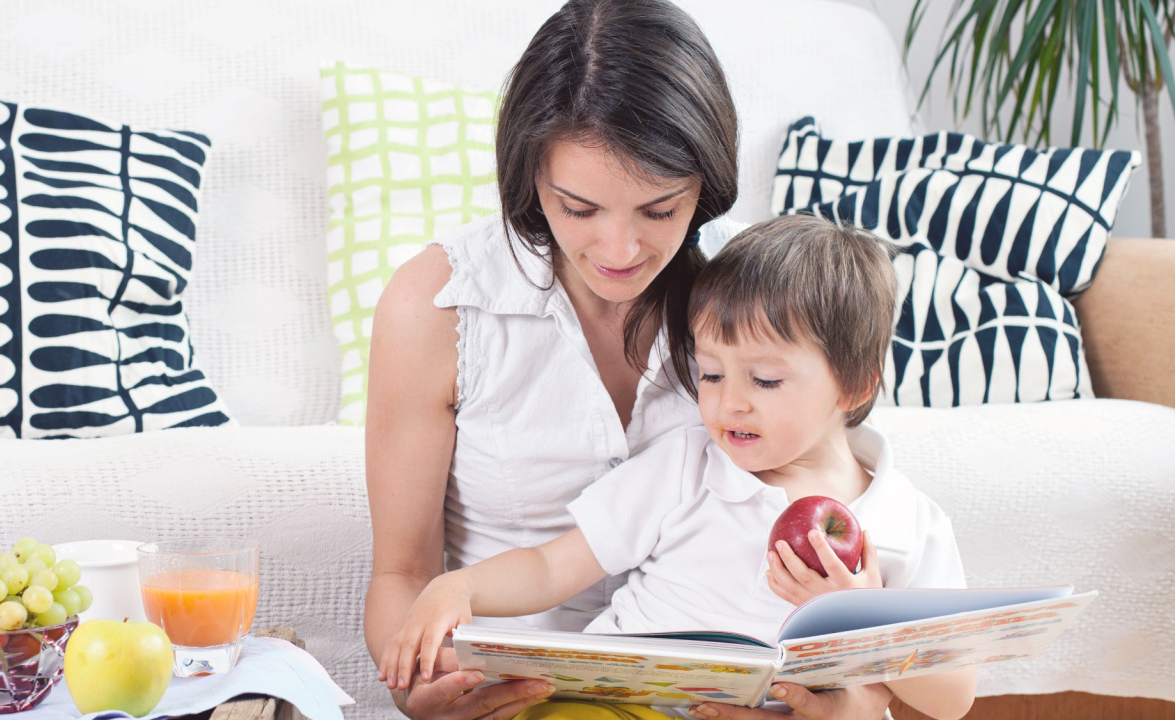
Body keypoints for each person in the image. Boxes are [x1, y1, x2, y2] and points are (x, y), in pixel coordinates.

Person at [363, 0, 895, 718]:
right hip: (521, 700)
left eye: (659, 210)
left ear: (705, 187)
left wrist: (842, 704)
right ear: (530, 182)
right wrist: (422, 691)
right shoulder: (439, 305)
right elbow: (402, 572)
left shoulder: (755, 293)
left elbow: (840, 500)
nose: (620, 252)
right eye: (579, 209)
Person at [378, 214, 979, 720]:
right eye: (711, 373)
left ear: (853, 385)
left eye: (765, 380)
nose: (727, 402)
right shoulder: (690, 463)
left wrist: (864, 620)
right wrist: (457, 587)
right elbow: (551, 566)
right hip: (620, 704)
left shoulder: (908, 523)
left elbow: (954, 697)